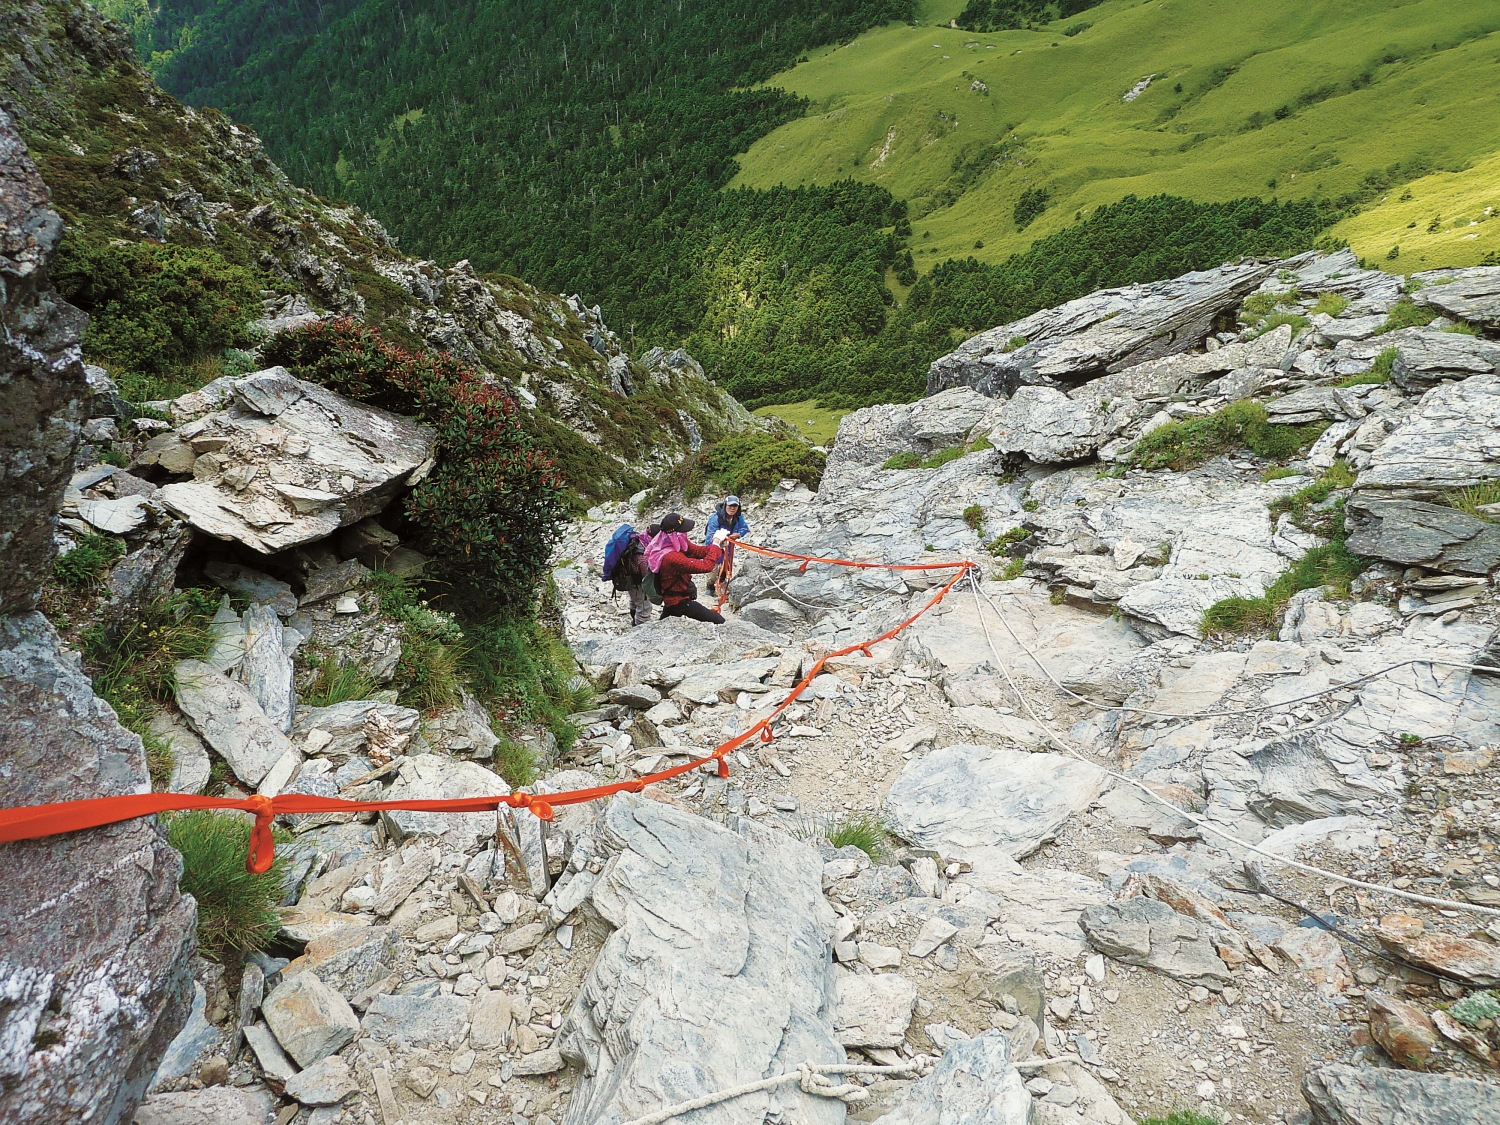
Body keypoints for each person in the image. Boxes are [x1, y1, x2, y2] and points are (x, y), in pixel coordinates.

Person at [650, 513, 727, 624]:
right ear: (675, 533)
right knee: (718, 621)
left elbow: (697, 551)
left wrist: (718, 546)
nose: (685, 533)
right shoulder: (671, 557)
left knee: (666, 620)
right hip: (678, 601)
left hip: (674, 597)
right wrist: (715, 545)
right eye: (682, 530)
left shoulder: (673, 543)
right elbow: (706, 566)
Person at [703, 495, 748, 599]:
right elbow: (710, 535)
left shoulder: (738, 517)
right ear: (725, 505)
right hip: (714, 547)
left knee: (727, 565)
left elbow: (745, 528)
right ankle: (710, 587)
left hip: (729, 547)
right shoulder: (715, 518)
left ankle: (722, 583)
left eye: (735, 506)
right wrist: (719, 540)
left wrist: (738, 534)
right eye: (730, 505)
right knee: (712, 567)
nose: (732, 508)